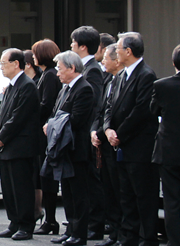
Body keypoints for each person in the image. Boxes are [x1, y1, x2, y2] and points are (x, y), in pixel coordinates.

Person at [103, 32, 159, 246]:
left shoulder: (146, 75)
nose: (115, 52)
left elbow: (141, 111)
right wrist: (108, 129)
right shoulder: (120, 76)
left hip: (138, 146)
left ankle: (147, 237)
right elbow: (109, 107)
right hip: (120, 145)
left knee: (143, 195)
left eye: (118, 48)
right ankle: (129, 236)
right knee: (125, 195)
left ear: (129, 51)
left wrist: (119, 133)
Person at [43, 51, 94, 246]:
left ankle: (80, 234)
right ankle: (70, 229)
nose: (57, 73)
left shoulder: (84, 89)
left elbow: (77, 120)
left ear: (72, 68)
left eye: (60, 69)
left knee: (79, 194)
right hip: (63, 149)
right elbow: (56, 114)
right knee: (67, 193)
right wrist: (52, 122)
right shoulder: (65, 89)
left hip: (76, 149)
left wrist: (53, 124)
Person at [0, 48, 42, 241]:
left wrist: (2, 135)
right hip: (7, 146)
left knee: (22, 188)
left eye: (4, 63)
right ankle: (13, 222)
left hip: (21, 146)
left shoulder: (27, 86)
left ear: (16, 64)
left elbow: (19, 117)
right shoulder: (11, 86)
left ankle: (25, 225)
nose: (1, 67)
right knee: (9, 188)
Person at [70, 26, 108, 241]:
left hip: (87, 134)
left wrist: (93, 129)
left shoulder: (92, 69)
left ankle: (95, 224)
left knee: (91, 182)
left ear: (83, 47)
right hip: (85, 134)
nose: (72, 47)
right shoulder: (86, 67)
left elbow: (94, 104)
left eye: (73, 43)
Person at [91, 42, 123, 246]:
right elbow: (101, 110)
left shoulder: (124, 80)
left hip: (118, 142)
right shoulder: (108, 80)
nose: (103, 61)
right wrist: (95, 130)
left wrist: (105, 132)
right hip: (104, 140)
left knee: (120, 192)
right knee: (109, 190)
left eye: (107, 58)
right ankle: (114, 233)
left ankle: (121, 233)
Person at [32, 39, 62, 235]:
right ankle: (48, 219)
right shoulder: (46, 75)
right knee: (44, 178)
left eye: (35, 53)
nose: (33, 57)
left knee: (48, 179)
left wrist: (31, 116)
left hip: (46, 133)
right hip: (43, 132)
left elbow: (46, 104)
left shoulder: (50, 76)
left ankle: (50, 220)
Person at [151, 44, 180, 246]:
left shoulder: (161, 86)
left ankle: (175, 240)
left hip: (169, 149)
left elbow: (153, 111)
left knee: (172, 200)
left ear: (173, 62)